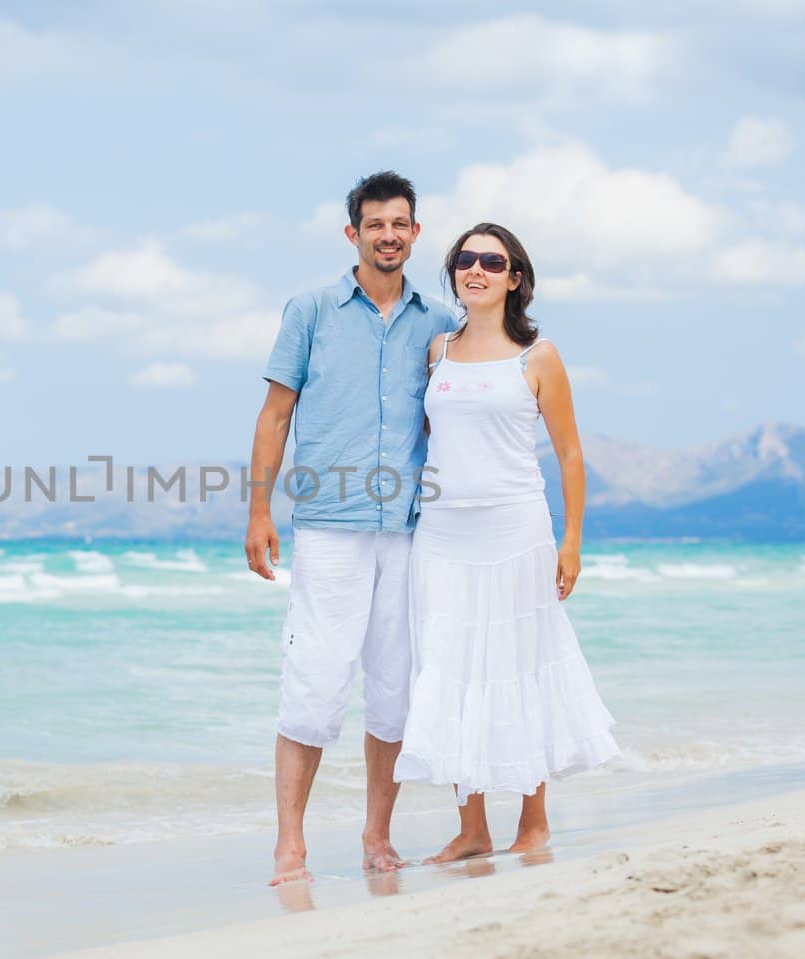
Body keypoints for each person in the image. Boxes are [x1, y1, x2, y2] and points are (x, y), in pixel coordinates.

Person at [245, 171, 460, 885]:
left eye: (401, 223)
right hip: (330, 528)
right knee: (313, 683)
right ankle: (290, 846)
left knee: (394, 689)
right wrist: (257, 511)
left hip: (406, 530)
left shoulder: (437, 323)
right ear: (354, 234)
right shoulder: (310, 310)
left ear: (415, 233)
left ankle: (377, 836)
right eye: (375, 224)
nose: (389, 235)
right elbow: (276, 414)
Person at [393, 223, 621, 861]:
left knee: (519, 665)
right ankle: (471, 829)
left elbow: (571, 454)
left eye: (492, 262)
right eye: (465, 260)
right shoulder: (437, 350)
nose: (477, 270)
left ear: (515, 278)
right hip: (441, 534)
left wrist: (572, 541)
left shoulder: (538, 357)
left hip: (517, 530)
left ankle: (534, 823)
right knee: (451, 666)